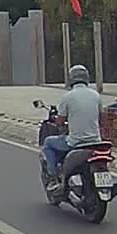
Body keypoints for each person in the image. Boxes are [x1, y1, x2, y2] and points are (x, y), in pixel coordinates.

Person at [42, 64, 102, 192]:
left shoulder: (68, 97)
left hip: (76, 142)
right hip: (96, 142)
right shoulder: (96, 95)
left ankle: (53, 177)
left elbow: (60, 121)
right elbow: (101, 117)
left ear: (70, 79)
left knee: (48, 143)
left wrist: (57, 120)